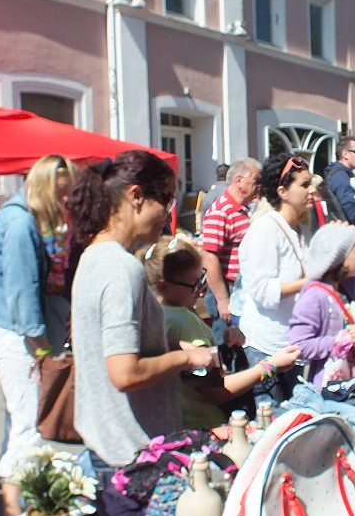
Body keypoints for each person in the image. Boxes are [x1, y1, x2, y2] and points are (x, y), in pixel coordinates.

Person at [68, 153, 214, 475]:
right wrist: (188, 359)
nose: (168, 215)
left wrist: (173, 350)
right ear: (136, 196)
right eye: (166, 201)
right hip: (134, 456)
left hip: (110, 446)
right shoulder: (122, 269)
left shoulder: (94, 257)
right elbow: (125, 373)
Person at [0, 153, 77, 516]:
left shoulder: (21, 217)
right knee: (30, 420)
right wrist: (41, 347)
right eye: (63, 196)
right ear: (47, 189)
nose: (66, 203)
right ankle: (16, 511)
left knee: (20, 416)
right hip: (13, 332)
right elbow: (22, 291)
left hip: (9, 328)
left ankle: (15, 505)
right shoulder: (20, 225)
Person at [143, 235, 300, 428]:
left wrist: (225, 347)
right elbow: (217, 391)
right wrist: (270, 365)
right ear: (163, 285)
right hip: (208, 424)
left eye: (202, 279)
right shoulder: (184, 322)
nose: (201, 290)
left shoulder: (161, 315)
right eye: (194, 284)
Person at [237, 153, 315, 404]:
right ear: (282, 191)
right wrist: (311, 283)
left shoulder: (302, 231)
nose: (311, 189)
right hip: (267, 347)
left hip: (293, 344)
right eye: (304, 184)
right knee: (271, 425)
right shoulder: (265, 229)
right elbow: (262, 290)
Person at [288, 223, 355, 388]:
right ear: (339, 257)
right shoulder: (314, 297)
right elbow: (299, 345)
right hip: (332, 387)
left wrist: (353, 234)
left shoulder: (346, 286)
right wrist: (340, 341)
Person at [200, 158, 260, 335]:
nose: (259, 186)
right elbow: (209, 258)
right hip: (228, 289)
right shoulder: (221, 211)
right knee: (229, 347)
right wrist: (222, 300)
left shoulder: (244, 209)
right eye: (256, 181)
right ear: (239, 180)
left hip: (240, 289)